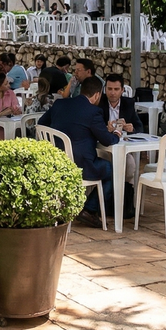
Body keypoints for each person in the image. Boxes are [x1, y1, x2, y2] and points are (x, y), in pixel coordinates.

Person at [38, 76, 123, 228]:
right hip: (79, 166)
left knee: (102, 165)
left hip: (57, 163)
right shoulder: (93, 112)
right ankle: (89, 210)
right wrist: (116, 133)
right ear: (97, 94)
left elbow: (41, 124)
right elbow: (107, 140)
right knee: (112, 169)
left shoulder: (60, 104)